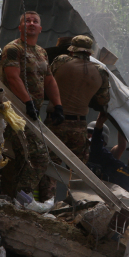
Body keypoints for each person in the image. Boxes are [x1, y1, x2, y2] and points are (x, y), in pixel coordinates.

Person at [0, 11, 64, 199]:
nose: (31, 23)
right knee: (38, 156)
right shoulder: (13, 49)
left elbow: (49, 80)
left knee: (23, 159)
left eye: (35, 21)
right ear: (20, 27)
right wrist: (27, 103)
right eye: (27, 21)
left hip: (33, 115)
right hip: (16, 113)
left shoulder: (41, 52)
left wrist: (58, 105)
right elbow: (12, 77)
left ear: (40, 28)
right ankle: (23, 198)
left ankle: (12, 199)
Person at [39, 35, 110, 199]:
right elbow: (103, 100)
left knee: (51, 166)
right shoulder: (100, 72)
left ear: (72, 50)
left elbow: (47, 82)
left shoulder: (61, 61)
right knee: (78, 171)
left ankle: (46, 203)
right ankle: (76, 205)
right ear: (89, 52)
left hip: (55, 122)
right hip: (79, 126)